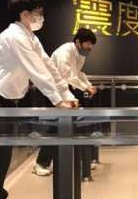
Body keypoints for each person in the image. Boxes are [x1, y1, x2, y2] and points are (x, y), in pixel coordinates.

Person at [0, 0, 77, 199]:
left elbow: (48, 66)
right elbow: (37, 72)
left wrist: (66, 94)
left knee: (1, 159)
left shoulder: (29, 37)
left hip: (6, 103)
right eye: (38, 13)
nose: (41, 18)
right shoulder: (14, 37)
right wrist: (58, 100)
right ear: (25, 14)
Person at [33, 28, 97, 176]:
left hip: (66, 91)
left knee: (71, 127)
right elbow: (67, 75)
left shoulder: (80, 55)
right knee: (55, 128)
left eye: (91, 45)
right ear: (78, 42)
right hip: (54, 93)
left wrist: (88, 84)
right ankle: (40, 163)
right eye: (88, 44)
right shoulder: (65, 52)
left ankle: (76, 161)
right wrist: (85, 87)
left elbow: (78, 74)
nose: (90, 48)